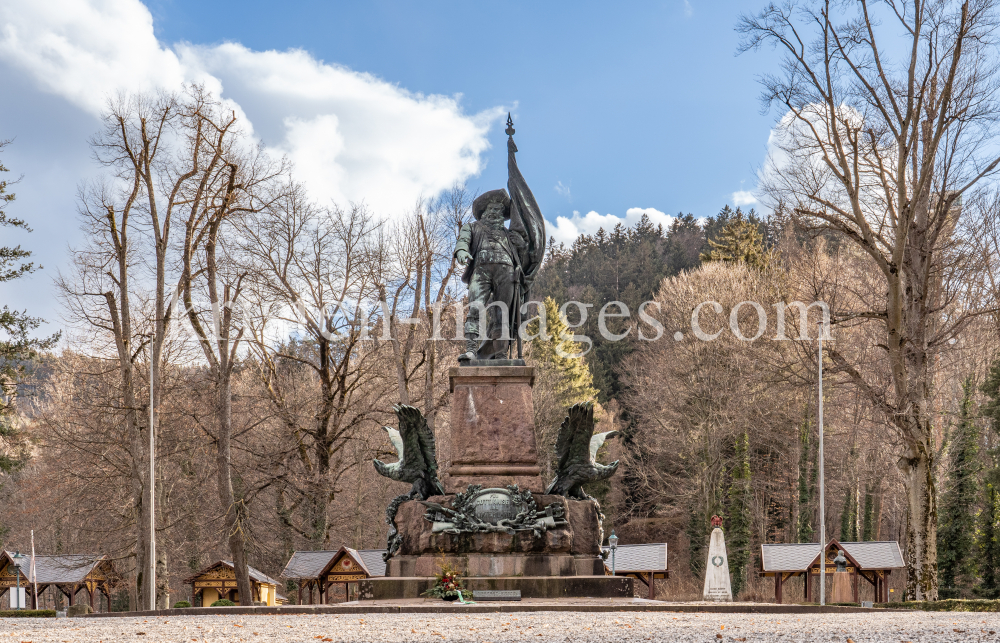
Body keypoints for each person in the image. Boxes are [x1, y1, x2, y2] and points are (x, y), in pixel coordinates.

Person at [454, 188, 528, 361]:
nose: (496, 212)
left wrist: (522, 246)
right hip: (481, 270)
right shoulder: (472, 227)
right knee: (475, 308)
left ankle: (501, 353)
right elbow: (463, 241)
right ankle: (471, 350)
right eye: (493, 209)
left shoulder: (509, 235)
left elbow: (523, 255)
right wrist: (462, 252)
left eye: (500, 210)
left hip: (507, 273)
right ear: (485, 211)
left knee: (503, 314)